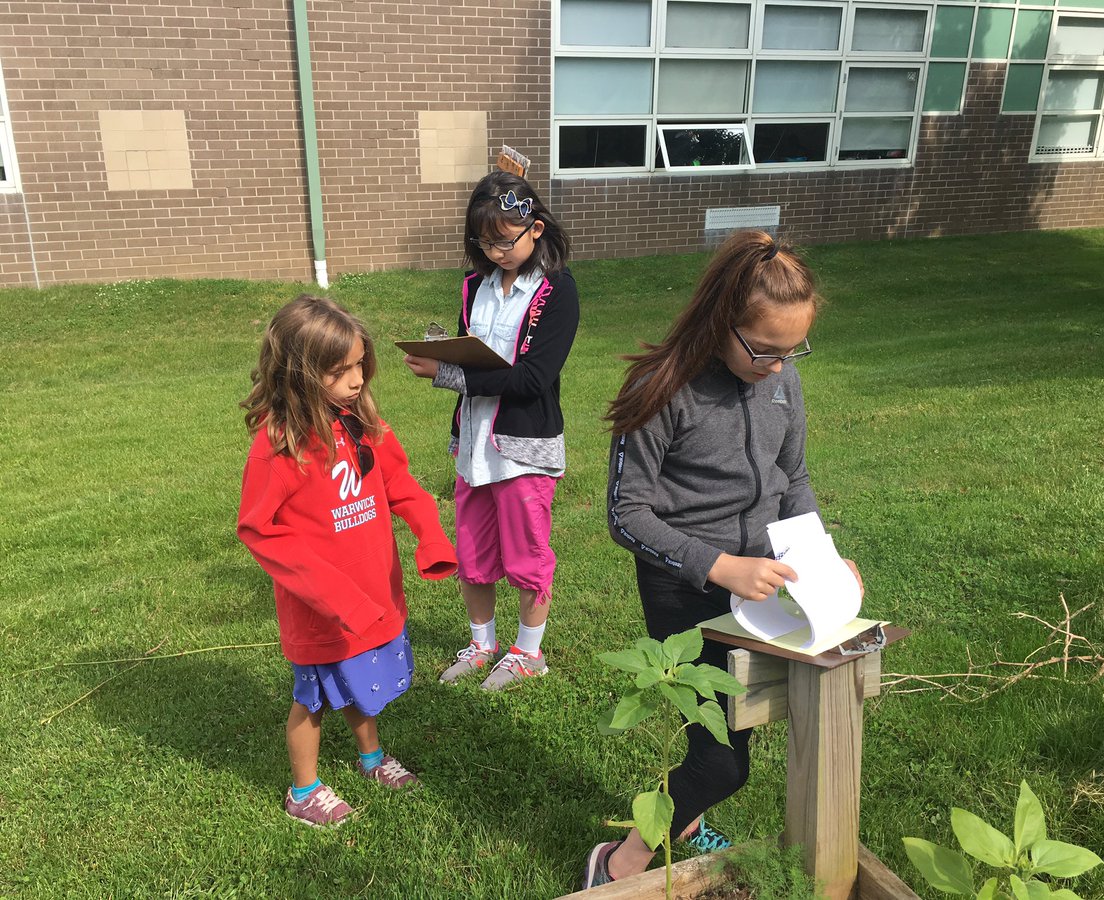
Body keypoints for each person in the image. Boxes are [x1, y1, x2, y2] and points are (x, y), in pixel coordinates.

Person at [582, 230, 864, 887]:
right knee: (724, 760)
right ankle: (620, 863)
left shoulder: (782, 382)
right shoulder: (662, 388)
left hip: (766, 590)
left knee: (748, 723)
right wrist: (719, 566)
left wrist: (823, 558)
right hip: (689, 597)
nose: (779, 366)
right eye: (765, 350)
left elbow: (792, 480)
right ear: (721, 320)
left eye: (793, 351)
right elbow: (628, 515)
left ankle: (682, 819)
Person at [237, 294, 457, 827]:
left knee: (362, 681)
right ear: (301, 374)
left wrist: (431, 537)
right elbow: (258, 529)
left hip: (373, 593)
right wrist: (337, 598)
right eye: (341, 371)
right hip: (322, 609)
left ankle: (371, 758)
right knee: (312, 698)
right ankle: (303, 791)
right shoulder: (280, 444)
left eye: (361, 364)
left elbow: (399, 483)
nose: (358, 379)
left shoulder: (359, 421)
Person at [404, 170, 578, 691]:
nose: (496, 252)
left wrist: (448, 373)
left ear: (536, 229)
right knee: (473, 552)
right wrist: (444, 354)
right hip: (473, 446)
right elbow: (478, 355)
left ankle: (528, 653)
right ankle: (483, 643)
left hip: (524, 448)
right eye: (485, 241)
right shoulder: (473, 288)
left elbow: (533, 378)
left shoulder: (556, 290)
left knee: (527, 553)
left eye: (505, 240)